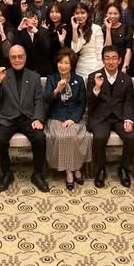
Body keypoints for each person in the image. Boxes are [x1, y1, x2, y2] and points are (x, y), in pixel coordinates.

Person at [0, 45, 49, 192]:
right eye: (13, 57)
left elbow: (38, 100)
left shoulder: (34, 77)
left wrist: (38, 118)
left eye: (20, 56)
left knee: (40, 138)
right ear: (9, 59)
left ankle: (37, 174)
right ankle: (6, 173)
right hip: (7, 117)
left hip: (28, 118)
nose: (17, 60)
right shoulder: (3, 75)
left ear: (25, 57)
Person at [86, 46, 134, 188]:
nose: (111, 61)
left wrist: (128, 120)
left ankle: (124, 168)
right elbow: (90, 103)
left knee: (132, 137)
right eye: (107, 58)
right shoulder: (93, 77)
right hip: (100, 117)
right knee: (100, 137)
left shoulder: (126, 79)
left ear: (120, 60)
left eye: (114, 58)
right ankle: (100, 169)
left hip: (120, 117)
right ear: (103, 60)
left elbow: (129, 102)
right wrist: (97, 88)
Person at [44, 48, 91, 191]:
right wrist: (57, 90)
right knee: (62, 135)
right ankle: (70, 172)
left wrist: (73, 119)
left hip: (74, 117)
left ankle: (76, 168)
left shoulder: (79, 80)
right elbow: (46, 100)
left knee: (76, 135)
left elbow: (82, 103)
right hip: (56, 116)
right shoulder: (52, 79)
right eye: (60, 62)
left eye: (66, 63)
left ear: (72, 65)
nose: (63, 66)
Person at [71, 3, 104, 80]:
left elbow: (100, 50)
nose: (80, 16)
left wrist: (99, 67)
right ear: (73, 15)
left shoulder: (96, 28)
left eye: (83, 13)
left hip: (96, 65)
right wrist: (75, 29)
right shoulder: (74, 29)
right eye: (77, 13)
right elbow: (75, 49)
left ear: (87, 14)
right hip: (81, 67)